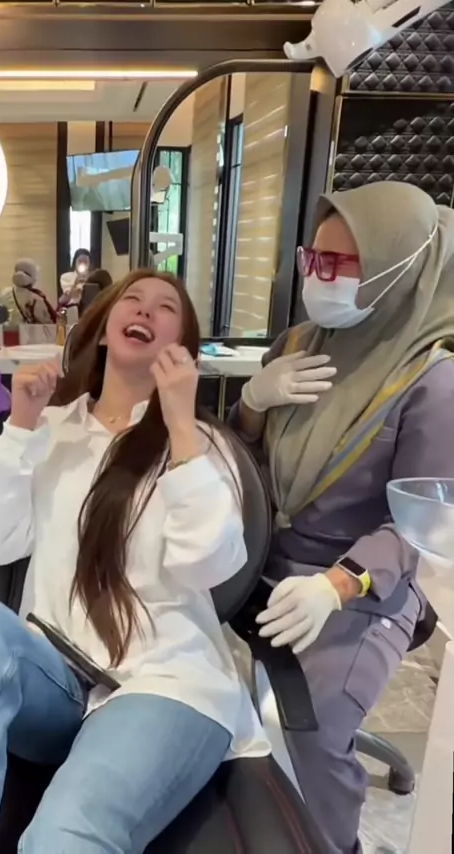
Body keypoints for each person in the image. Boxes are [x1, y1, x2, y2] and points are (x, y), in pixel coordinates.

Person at [0, 269, 270, 853]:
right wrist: (21, 424)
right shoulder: (51, 427)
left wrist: (180, 422)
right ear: (106, 328)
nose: (145, 309)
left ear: (182, 351)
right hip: (58, 677)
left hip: (164, 681)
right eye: (132, 299)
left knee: (62, 836)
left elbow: (209, 564)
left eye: (166, 308)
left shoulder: (202, 446)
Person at [229, 181, 454, 854]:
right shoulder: (298, 344)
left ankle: (327, 843)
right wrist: (251, 402)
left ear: (395, 270)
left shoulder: (433, 382)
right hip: (261, 565)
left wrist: (334, 586)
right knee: (204, 699)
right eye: (312, 259)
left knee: (308, 728)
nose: (318, 278)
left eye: (339, 264)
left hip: (359, 589)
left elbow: (422, 527)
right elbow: (243, 463)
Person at [0, 258, 57, 325]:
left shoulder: (3, 293)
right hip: (28, 331)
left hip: (6, 330)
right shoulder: (36, 299)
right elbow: (47, 323)